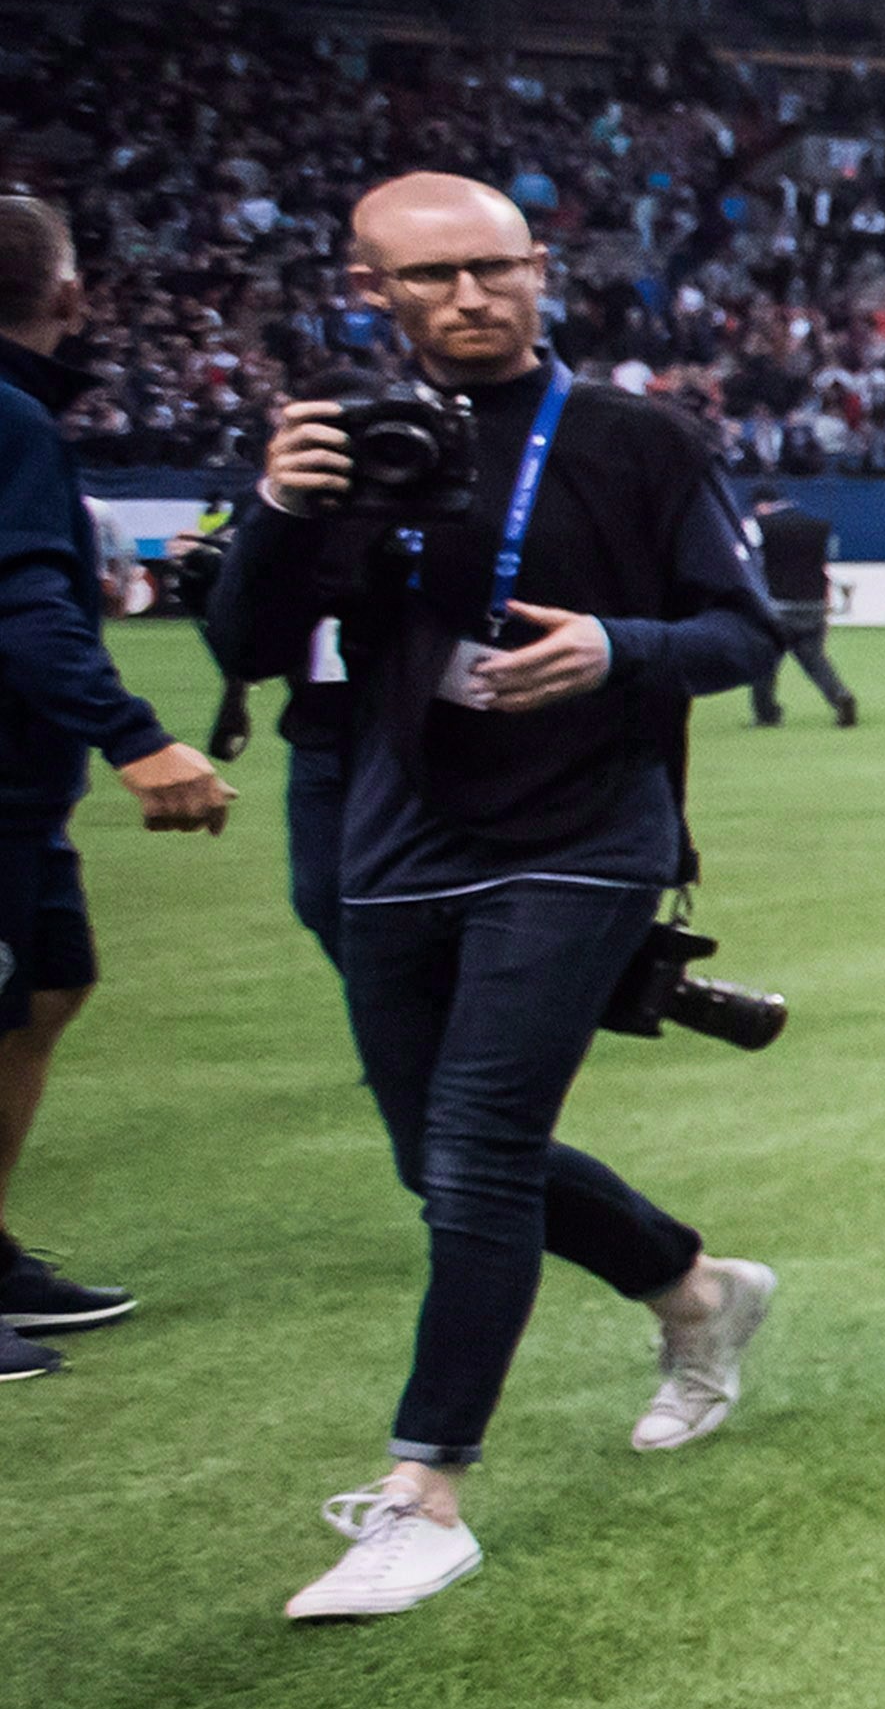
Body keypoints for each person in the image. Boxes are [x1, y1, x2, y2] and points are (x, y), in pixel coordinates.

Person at [203, 172, 783, 1623]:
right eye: (428, 277)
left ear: (542, 270)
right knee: (445, 1162)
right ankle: (695, 1291)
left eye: (493, 267)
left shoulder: (639, 439)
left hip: (586, 830)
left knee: (473, 1150)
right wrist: (278, 506)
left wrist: (615, 644)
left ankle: (422, 1493)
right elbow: (250, 641)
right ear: (370, 289)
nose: (468, 296)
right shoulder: (342, 444)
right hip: (396, 837)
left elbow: (739, 630)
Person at [0, 193, 238, 1382]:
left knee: (48, 986)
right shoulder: (10, 422)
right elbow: (26, 611)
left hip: (19, 801)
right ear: (68, 293)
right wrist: (138, 738)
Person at [740, 488, 855, 729]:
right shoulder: (816, 524)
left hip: (777, 605)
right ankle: (840, 696)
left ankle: (766, 714)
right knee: (814, 659)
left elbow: (742, 558)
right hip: (814, 603)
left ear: (762, 505)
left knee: (763, 660)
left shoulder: (760, 525)